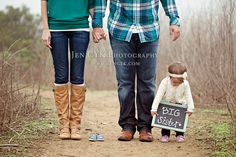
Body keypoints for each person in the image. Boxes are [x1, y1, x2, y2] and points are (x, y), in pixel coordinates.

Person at [92, 0, 181, 142]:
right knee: (125, 82)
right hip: (120, 29)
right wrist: (97, 24)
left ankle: (145, 127)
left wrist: (174, 20)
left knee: (147, 82)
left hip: (149, 30)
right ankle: (127, 126)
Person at [41, 0, 94, 140]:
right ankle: (64, 125)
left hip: (81, 29)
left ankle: (75, 125)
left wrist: (97, 26)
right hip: (56, 29)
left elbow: (92, 5)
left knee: (78, 76)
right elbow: (44, 2)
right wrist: (45, 29)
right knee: (61, 76)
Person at [151, 62, 195, 143]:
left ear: (183, 80)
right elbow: (158, 96)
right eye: (174, 82)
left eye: (179, 83)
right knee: (166, 121)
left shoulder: (185, 84)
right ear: (170, 77)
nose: (176, 84)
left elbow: (189, 96)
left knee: (179, 121)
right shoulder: (165, 82)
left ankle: (180, 134)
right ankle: (165, 135)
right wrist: (154, 108)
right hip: (167, 104)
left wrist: (190, 108)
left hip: (180, 105)